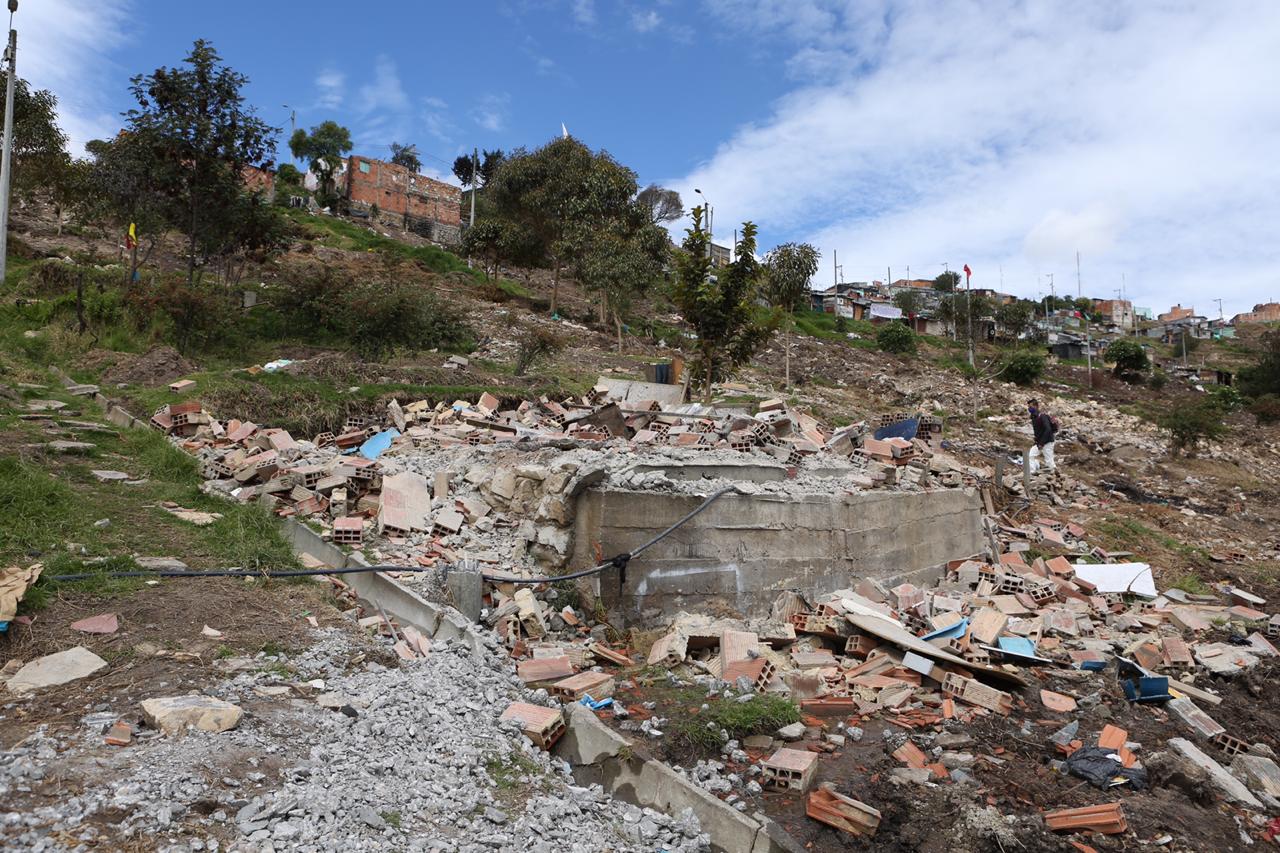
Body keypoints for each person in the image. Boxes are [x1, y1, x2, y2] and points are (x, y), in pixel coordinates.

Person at [1027, 398, 1058, 473]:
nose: (1029, 408)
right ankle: (1032, 472)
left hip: (1047, 442)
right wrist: (1037, 441)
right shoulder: (1034, 417)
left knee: (1049, 460)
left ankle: (1055, 475)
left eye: (1031, 406)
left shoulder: (1042, 416)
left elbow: (1048, 430)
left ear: (1036, 406)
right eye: (1028, 406)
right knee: (1031, 455)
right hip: (1040, 442)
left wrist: (1041, 443)